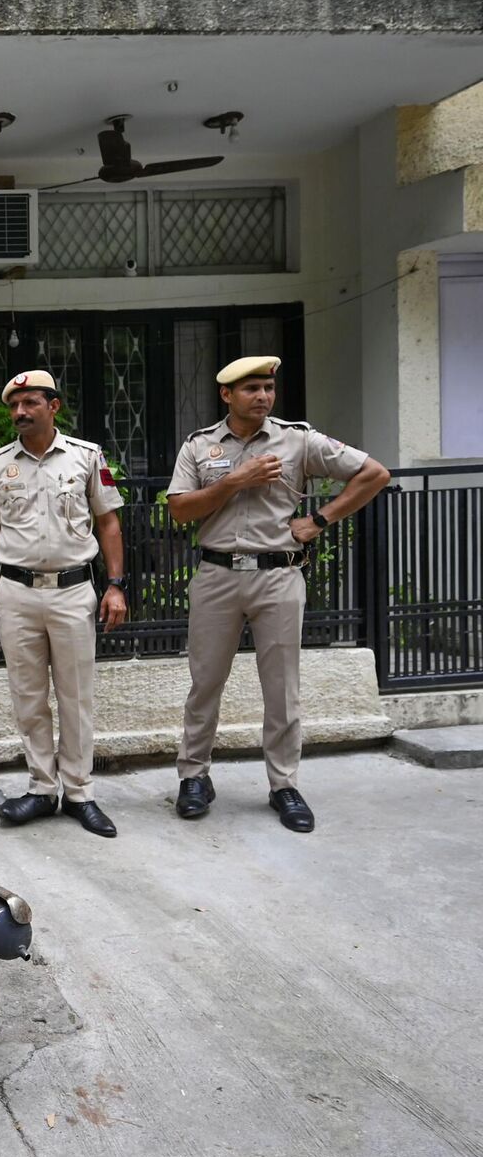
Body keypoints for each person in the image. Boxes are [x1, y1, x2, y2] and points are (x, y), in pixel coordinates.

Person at [165, 355, 390, 832]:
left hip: (279, 576)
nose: (263, 396)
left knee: (282, 688)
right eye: (251, 389)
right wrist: (234, 481)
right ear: (227, 395)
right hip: (217, 575)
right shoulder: (200, 446)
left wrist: (319, 520)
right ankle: (194, 776)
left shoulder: (298, 440)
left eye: (268, 388)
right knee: (205, 682)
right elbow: (180, 510)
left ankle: (284, 785)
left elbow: (374, 473)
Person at [0, 371, 127, 838]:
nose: (20, 412)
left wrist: (115, 585)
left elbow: (109, 523)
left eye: (30, 402)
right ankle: (41, 788)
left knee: (76, 696)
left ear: (53, 406)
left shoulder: (85, 457)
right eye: (15, 405)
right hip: (16, 593)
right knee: (28, 696)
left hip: (73, 591)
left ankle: (79, 792)